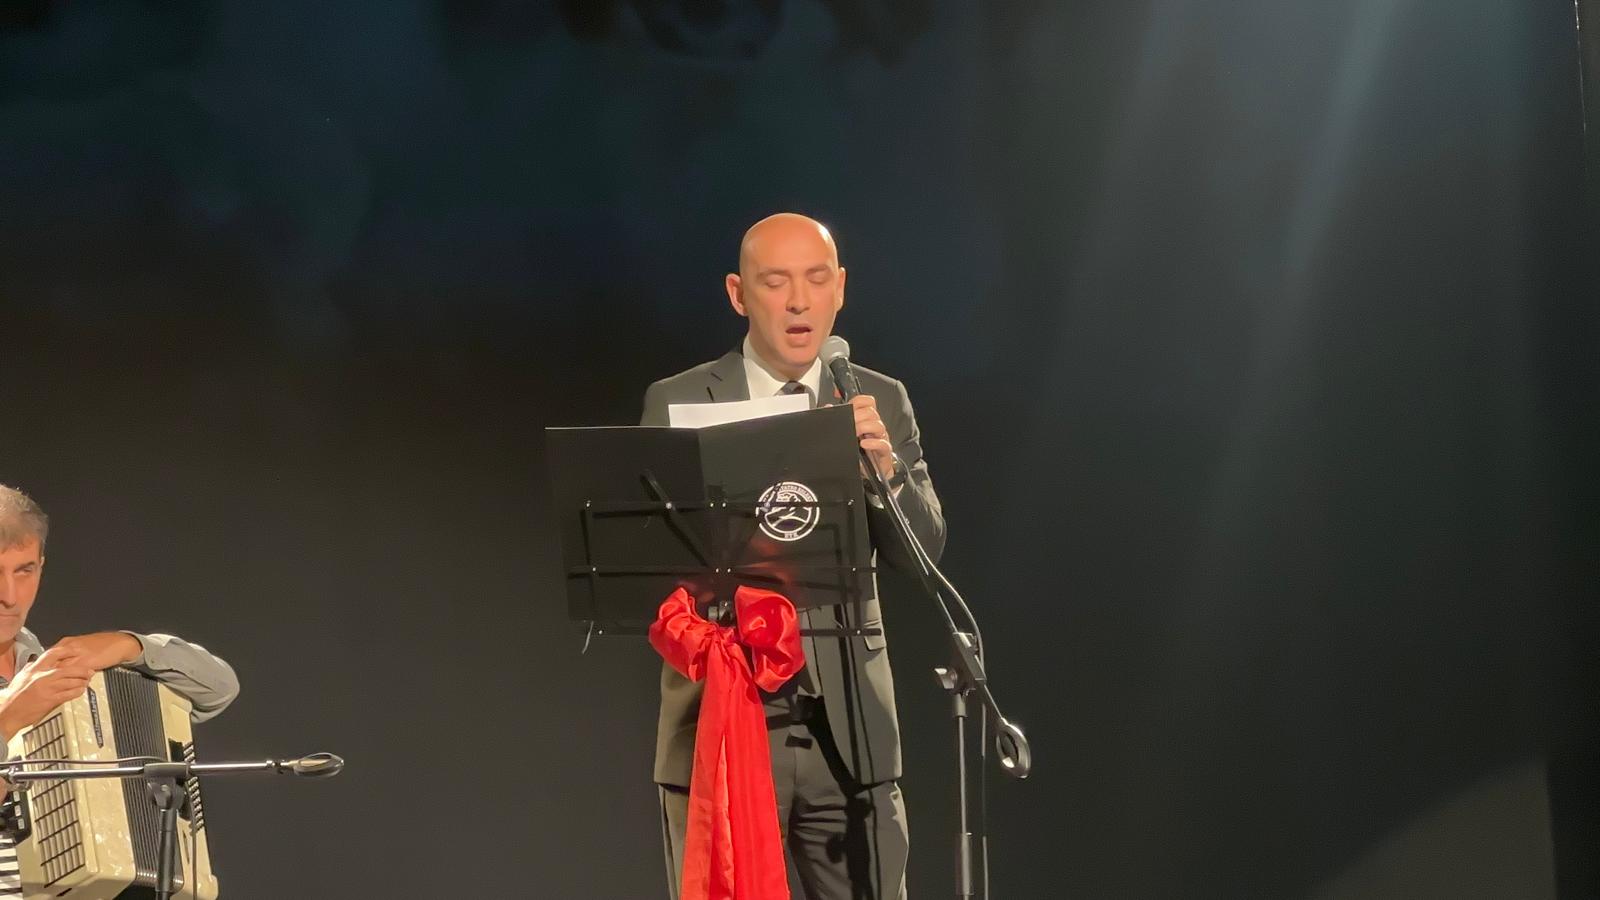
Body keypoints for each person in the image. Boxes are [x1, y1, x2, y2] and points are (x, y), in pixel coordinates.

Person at [640, 213, 946, 899]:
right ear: (738, 294)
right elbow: (649, 569)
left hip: (851, 731)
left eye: (815, 279)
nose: (799, 300)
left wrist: (886, 475)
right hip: (726, 724)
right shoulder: (679, 400)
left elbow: (924, 556)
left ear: (840, 288)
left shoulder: (878, 399)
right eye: (776, 282)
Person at [0, 484, 240, 897]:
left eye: (24, 571)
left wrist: (130, 646)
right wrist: (8, 720)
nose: (9, 596)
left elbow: (219, 688)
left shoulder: (54, 668)